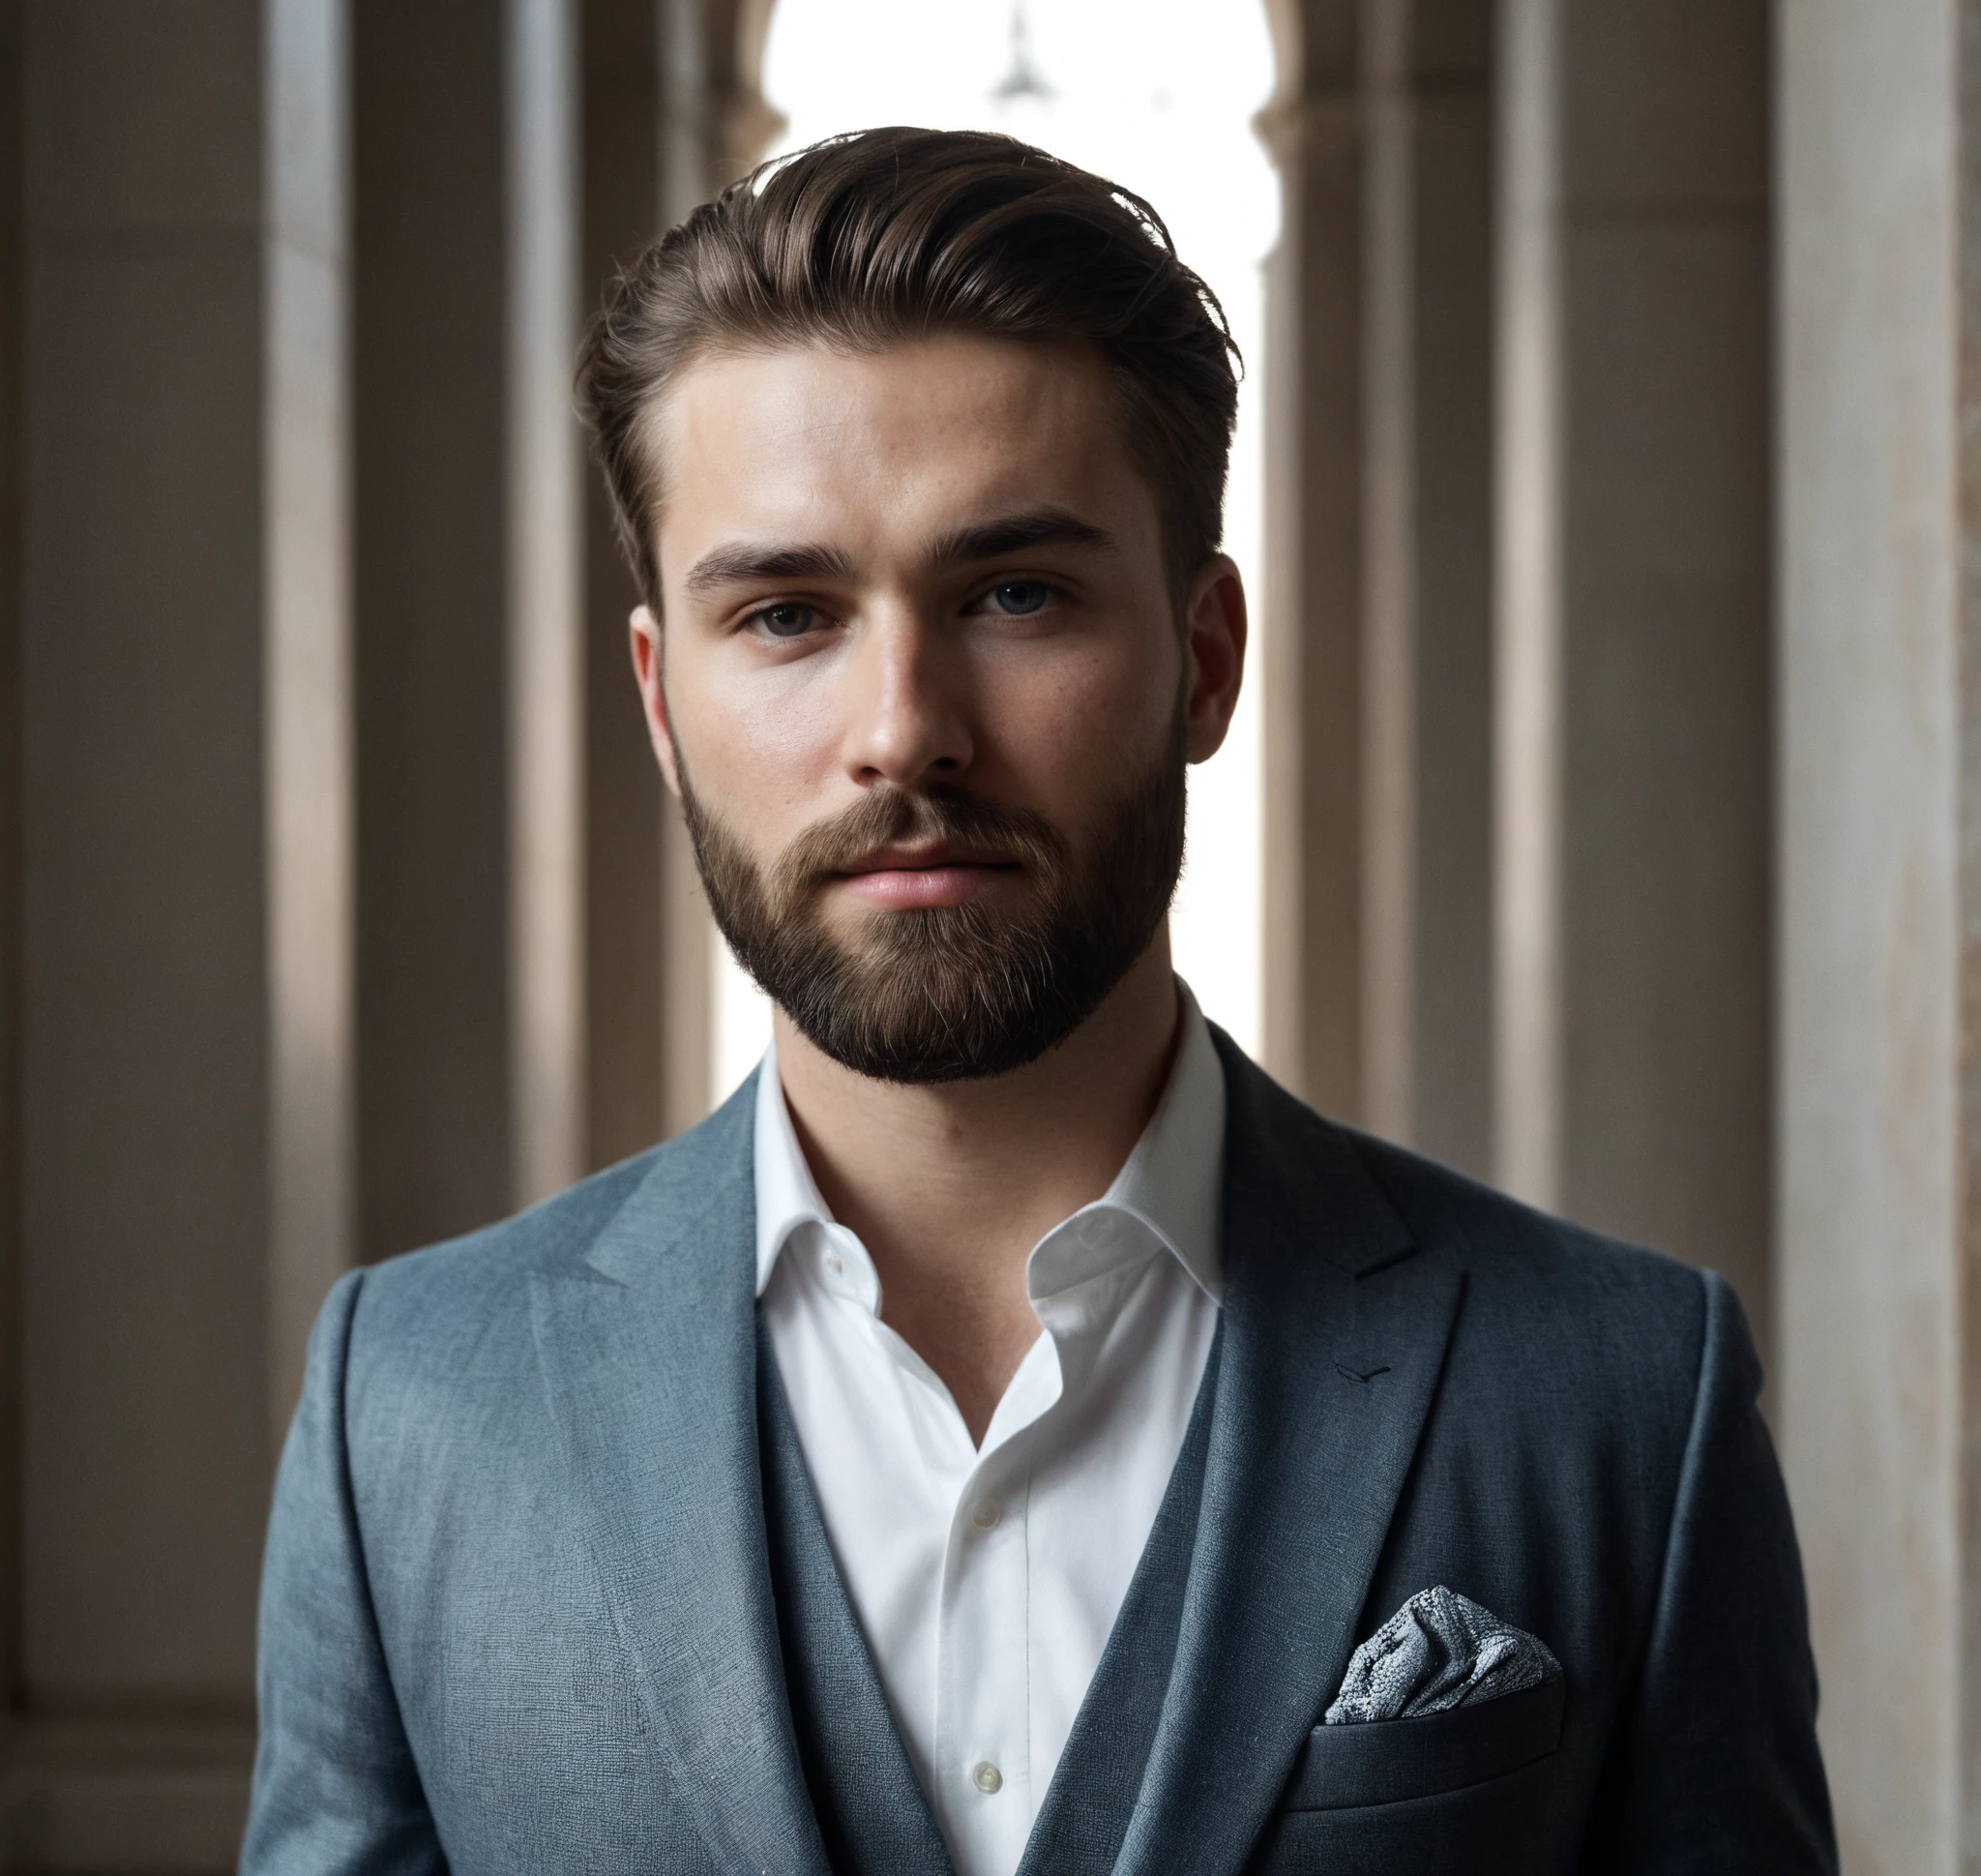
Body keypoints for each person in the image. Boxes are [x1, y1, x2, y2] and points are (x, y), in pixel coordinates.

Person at [240, 128, 1835, 1875]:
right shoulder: (408, 1411)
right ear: (662, 702)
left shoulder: (1619, 1395)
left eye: (1015, 593)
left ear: (1203, 659)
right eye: (786, 614)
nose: (905, 726)